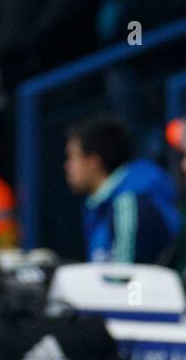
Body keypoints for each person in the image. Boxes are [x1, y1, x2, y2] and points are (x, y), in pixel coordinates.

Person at [64, 114, 180, 265]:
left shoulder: (129, 204)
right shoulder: (103, 207)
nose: (66, 166)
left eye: (72, 157)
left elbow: (124, 278)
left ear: (93, 161)